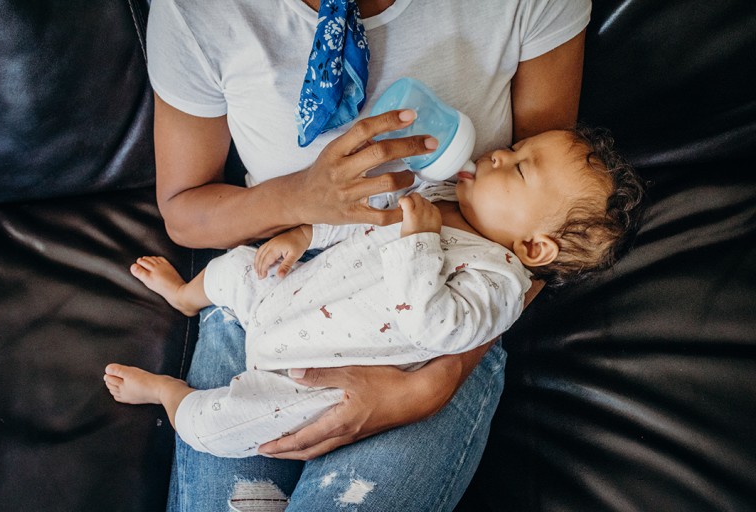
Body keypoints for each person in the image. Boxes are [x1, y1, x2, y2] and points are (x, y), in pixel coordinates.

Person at [144, 0, 593, 509]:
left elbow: (546, 236)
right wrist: (299, 201)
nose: (497, 157)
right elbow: (183, 211)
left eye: (512, 165)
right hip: (278, 275)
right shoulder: (198, 10)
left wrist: (433, 383)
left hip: (434, 317)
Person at [105, 127, 645, 459]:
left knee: (218, 430)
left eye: (519, 167)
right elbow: (360, 217)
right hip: (291, 294)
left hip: (314, 374)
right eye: (515, 147)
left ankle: (169, 395)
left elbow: (434, 327)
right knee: (240, 266)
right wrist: (304, 234)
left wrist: (420, 240)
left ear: (534, 246)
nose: (499, 154)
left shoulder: (499, 281)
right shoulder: (433, 196)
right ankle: (185, 296)